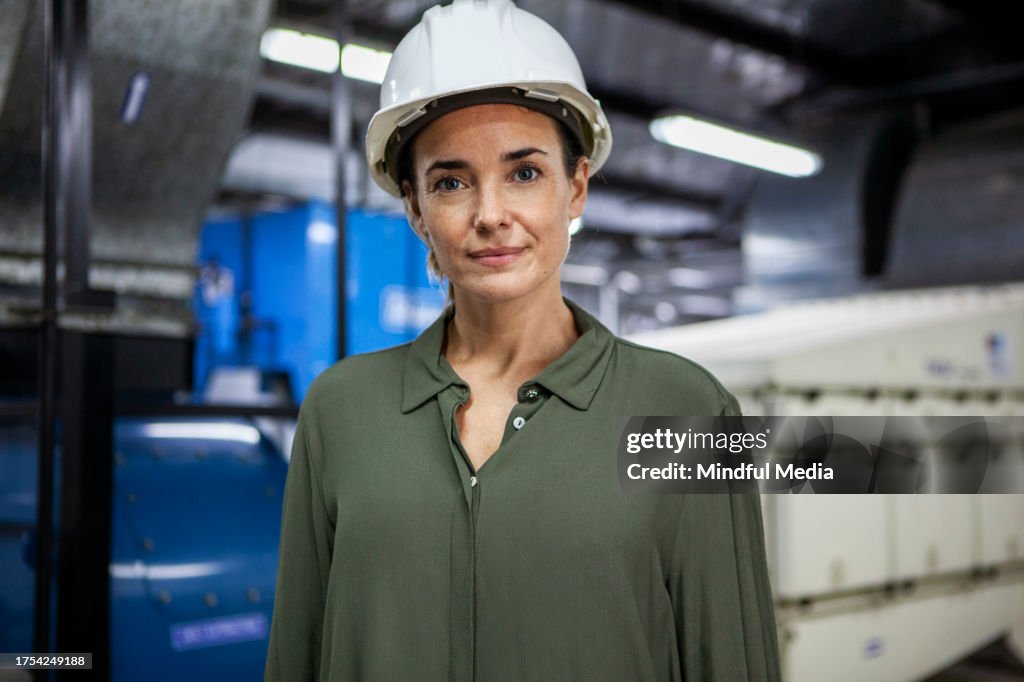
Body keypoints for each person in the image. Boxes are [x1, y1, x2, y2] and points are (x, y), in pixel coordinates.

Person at [264, 1, 780, 680]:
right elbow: (297, 655)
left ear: (576, 188)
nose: (490, 215)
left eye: (525, 173)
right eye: (451, 182)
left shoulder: (692, 408)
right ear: (416, 209)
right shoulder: (340, 410)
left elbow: (734, 658)